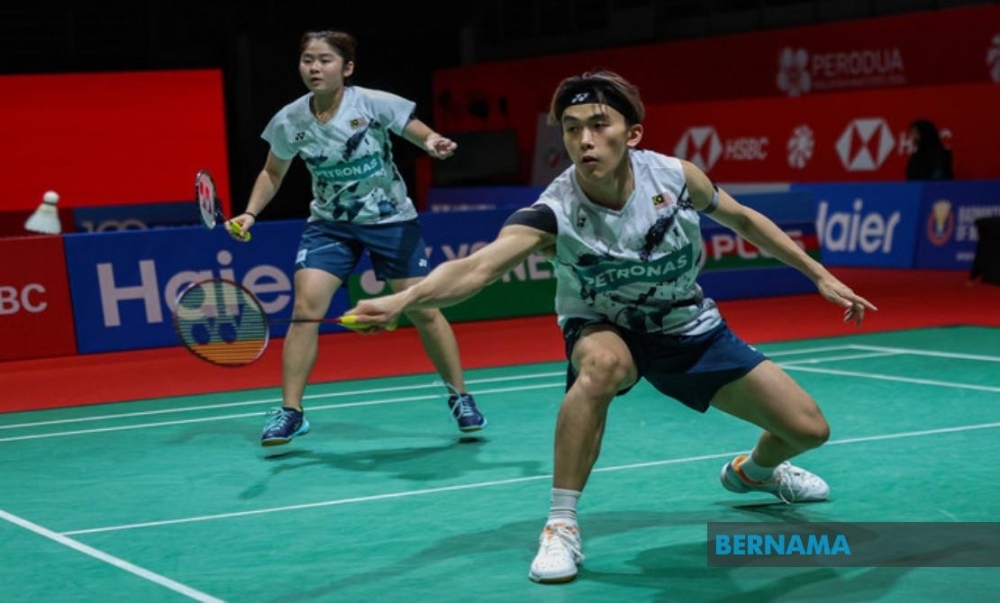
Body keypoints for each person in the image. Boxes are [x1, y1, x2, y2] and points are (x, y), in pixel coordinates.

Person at [345, 69, 877, 584]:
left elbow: (742, 219)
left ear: (633, 133)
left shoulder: (674, 176)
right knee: (602, 365)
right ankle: (561, 524)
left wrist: (818, 274)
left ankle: (753, 472)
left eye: (599, 124)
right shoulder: (554, 210)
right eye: (572, 129)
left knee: (809, 429)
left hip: (686, 325)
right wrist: (405, 301)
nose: (584, 139)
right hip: (603, 326)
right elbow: (480, 267)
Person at [228, 30, 486, 447]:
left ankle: (461, 396)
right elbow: (273, 172)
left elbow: (417, 130)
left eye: (325, 60)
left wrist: (434, 142)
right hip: (330, 224)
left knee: (423, 308)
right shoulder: (290, 119)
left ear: (346, 68)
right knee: (305, 309)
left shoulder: (371, 103)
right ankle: (291, 411)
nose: (314, 67)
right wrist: (250, 212)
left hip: (391, 221)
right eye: (307, 59)